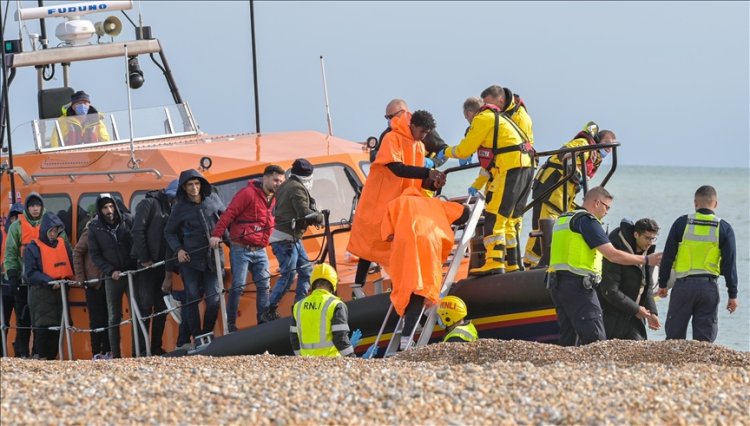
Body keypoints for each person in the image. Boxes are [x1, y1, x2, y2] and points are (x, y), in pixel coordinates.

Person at [546, 187, 663, 346]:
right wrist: (646, 260)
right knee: (596, 339)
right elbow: (612, 255)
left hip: (557, 284)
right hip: (579, 285)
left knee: (570, 336)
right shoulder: (588, 221)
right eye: (606, 207)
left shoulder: (563, 218)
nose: (607, 211)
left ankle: (565, 369)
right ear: (596, 203)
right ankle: (595, 370)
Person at [438, 85, 534, 275]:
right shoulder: (503, 119)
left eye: (467, 119)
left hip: (510, 168)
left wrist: (446, 151)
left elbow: (464, 150)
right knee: (510, 219)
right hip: (526, 167)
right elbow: (489, 164)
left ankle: (495, 262)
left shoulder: (483, 118)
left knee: (494, 216)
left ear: (469, 113)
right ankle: (513, 263)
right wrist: (476, 185)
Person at [348, 110, 445, 298]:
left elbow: (415, 179)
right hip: (379, 200)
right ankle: (357, 287)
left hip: (401, 203)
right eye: (422, 132)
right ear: (413, 126)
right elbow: (396, 168)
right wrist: (427, 172)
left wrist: (433, 182)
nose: (424, 136)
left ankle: (400, 287)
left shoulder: (418, 145)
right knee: (370, 241)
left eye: (427, 133)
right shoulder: (392, 138)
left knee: (400, 243)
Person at [381, 187, 468, 350]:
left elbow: (387, 234)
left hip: (404, 250)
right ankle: (408, 337)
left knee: (408, 288)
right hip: (429, 246)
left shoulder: (395, 203)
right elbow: (463, 213)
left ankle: (409, 333)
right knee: (422, 289)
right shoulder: (435, 203)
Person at [524, 123, 617, 268]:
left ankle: (546, 263)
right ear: (597, 140)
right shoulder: (584, 144)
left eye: (610, 149)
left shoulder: (593, 158)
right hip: (551, 190)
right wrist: (576, 172)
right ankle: (532, 265)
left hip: (562, 196)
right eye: (606, 145)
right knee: (543, 229)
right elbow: (565, 154)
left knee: (555, 229)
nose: (607, 150)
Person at [657, 185, 738, 342]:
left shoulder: (681, 223)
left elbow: (668, 256)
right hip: (709, 287)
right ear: (715, 204)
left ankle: (672, 364)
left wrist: (662, 284)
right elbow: (730, 264)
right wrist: (732, 295)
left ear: (695, 203)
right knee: (704, 341)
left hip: (683, 287)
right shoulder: (724, 228)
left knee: (674, 337)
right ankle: (701, 366)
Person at [210, 165, 285, 329]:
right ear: (265, 178)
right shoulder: (247, 194)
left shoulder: (275, 199)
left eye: (281, 181)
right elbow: (229, 213)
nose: (278, 184)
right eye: (275, 180)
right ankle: (230, 324)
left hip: (260, 249)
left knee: (264, 285)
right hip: (241, 248)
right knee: (238, 286)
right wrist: (216, 234)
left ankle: (262, 321)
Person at [164, 169, 226, 344]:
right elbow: (169, 232)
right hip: (190, 261)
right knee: (192, 298)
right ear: (184, 187)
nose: (194, 188)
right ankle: (197, 336)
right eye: (190, 185)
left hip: (213, 259)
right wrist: (179, 250)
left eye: (197, 183)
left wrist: (230, 242)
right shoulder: (179, 208)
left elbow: (225, 219)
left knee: (214, 298)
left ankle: (207, 332)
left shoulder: (213, 199)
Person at [261, 159, 323, 322]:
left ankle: (299, 306)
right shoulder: (297, 188)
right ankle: (269, 309)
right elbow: (303, 212)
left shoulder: (287, 184)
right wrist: (319, 216)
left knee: (306, 271)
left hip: (291, 238)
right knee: (289, 275)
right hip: (286, 239)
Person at [3, 193, 63, 357]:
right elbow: (10, 253)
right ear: (27, 208)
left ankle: (38, 352)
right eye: (31, 205)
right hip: (24, 280)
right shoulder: (17, 227)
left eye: (37, 205)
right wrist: (13, 276)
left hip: (45, 281)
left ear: (42, 206)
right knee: (23, 318)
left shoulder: (50, 223)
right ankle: (23, 353)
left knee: (41, 319)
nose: (35, 208)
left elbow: (62, 248)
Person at [130, 179, 180, 355]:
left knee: (162, 308)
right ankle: (141, 350)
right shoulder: (149, 203)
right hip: (146, 266)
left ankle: (156, 348)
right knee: (144, 307)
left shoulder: (173, 209)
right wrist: (144, 259)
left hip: (163, 266)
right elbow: (137, 230)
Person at [87, 193, 135, 358]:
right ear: (100, 210)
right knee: (113, 317)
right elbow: (95, 254)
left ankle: (137, 353)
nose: (109, 210)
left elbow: (136, 241)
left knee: (136, 313)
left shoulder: (127, 220)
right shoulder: (94, 228)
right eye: (105, 207)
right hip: (112, 276)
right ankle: (116, 355)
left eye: (111, 206)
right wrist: (110, 271)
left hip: (131, 273)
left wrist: (135, 264)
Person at [597, 218, 661, 340]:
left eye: (653, 239)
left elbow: (647, 287)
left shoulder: (648, 254)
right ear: (636, 234)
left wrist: (652, 313)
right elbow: (610, 290)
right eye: (647, 238)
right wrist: (636, 309)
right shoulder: (616, 252)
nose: (650, 243)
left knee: (639, 351)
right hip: (612, 316)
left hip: (635, 316)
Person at [23, 212, 74, 360]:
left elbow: (71, 261)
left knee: (57, 334)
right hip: (41, 296)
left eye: (55, 230)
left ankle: (50, 363)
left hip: (60, 296)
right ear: (44, 229)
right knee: (42, 333)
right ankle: (40, 362)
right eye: (50, 230)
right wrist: (49, 282)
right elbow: (30, 273)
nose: (53, 233)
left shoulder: (63, 245)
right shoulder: (32, 248)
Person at [289, 263, 356, 357]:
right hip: (331, 360)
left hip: (306, 361)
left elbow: (294, 338)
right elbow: (340, 337)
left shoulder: (298, 306)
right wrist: (351, 357)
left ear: (312, 283)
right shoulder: (335, 305)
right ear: (333, 283)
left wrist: (300, 358)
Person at [73, 212, 111, 360]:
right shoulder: (90, 231)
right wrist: (81, 278)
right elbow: (77, 252)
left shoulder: (108, 229)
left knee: (109, 318)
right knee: (96, 319)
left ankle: (108, 351)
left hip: (106, 280)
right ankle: (96, 352)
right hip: (93, 282)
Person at [1, 202, 24, 356]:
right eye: (14, 217)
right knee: (3, 323)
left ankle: (20, 352)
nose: (17, 220)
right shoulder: (2, 234)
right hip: (3, 284)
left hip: (20, 282)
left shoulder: (26, 235)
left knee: (23, 322)